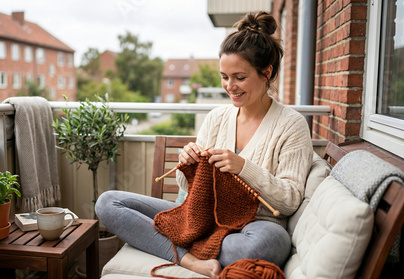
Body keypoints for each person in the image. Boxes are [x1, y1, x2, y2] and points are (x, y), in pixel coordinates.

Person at [95, 11, 313, 277]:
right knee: (107, 203)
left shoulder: (291, 125)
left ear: (266, 72)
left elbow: (290, 200)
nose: (229, 86)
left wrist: (243, 167)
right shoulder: (217, 117)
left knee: (267, 244)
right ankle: (190, 260)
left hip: (251, 226)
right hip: (201, 217)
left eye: (239, 77)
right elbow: (189, 190)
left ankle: (173, 244)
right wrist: (187, 164)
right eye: (224, 76)